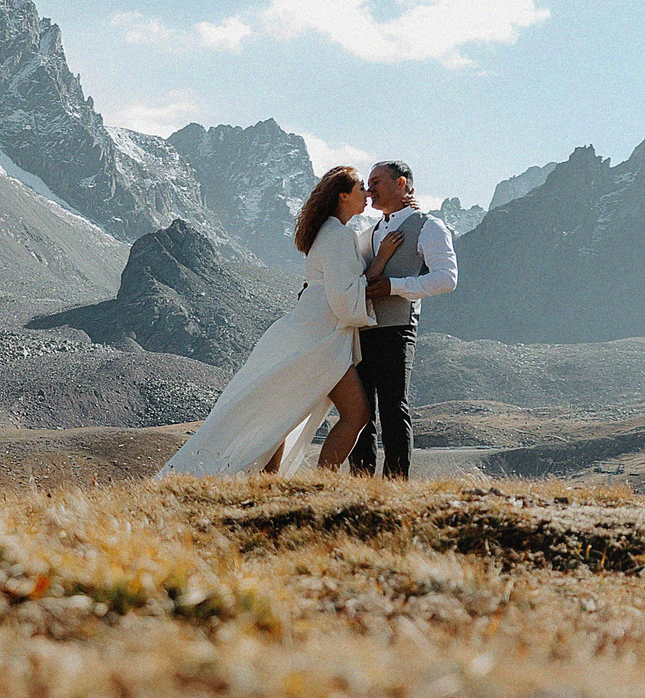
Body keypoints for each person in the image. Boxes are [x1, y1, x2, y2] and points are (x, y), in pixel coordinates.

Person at [158, 167, 407, 477]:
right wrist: (382, 260)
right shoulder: (338, 235)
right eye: (360, 188)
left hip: (311, 333)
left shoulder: (331, 233)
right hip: (321, 339)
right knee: (355, 413)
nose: (367, 194)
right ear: (343, 195)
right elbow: (345, 296)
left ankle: (271, 480)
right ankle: (321, 481)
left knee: (282, 409)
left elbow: (344, 284)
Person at [348, 160, 458, 480]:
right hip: (361, 328)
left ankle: (395, 484)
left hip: (397, 329)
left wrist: (395, 287)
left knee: (394, 408)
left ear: (401, 184)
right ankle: (361, 484)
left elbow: (447, 279)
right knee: (361, 412)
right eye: (368, 182)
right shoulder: (369, 231)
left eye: (377, 182)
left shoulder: (429, 226)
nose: (370, 189)